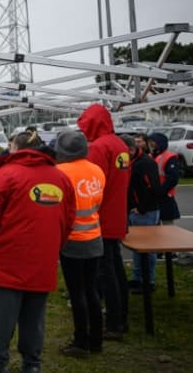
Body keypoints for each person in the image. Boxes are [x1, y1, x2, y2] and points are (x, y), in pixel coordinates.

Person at [0, 131, 75, 373]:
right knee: (34, 316)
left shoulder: (5, 175)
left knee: (3, 317)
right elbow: (68, 219)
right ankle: (32, 363)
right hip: (41, 259)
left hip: (7, 260)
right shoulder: (60, 177)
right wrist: (54, 247)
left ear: (16, 148)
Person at [77, 104, 131, 339]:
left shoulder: (99, 148)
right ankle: (122, 316)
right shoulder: (119, 145)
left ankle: (114, 323)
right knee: (116, 270)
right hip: (117, 215)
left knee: (105, 273)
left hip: (102, 219)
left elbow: (92, 184)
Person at [54, 131, 106, 358]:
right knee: (92, 291)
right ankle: (96, 340)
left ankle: (80, 342)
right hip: (95, 237)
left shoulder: (60, 173)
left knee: (77, 293)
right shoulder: (96, 170)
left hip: (72, 241)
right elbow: (98, 202)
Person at [121, 134, 161, 293]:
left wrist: (141, 208)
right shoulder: (132, 162)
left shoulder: (145, 163)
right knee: (137, 248)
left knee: (147, 249)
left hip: (145, 212)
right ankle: (138, 278)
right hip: (135, 210)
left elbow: (153, 188)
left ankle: (148, 281)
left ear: (130, 149)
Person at [148, 132, 180, 226]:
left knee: (167, 224)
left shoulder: (169, 157)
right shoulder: (151, 156)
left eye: (153, 143)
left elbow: (173, 178)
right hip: (154, 196)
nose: (151, 145)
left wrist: (161, 191)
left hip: (165, 196)